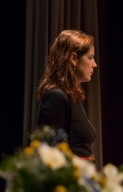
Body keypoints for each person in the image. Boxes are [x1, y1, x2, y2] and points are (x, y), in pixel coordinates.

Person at [37, 30, 97, 160]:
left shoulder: (72, 97)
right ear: (74, 58)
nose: (95, 64)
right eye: (90, 58)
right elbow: (49, 152)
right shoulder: (56, 97)